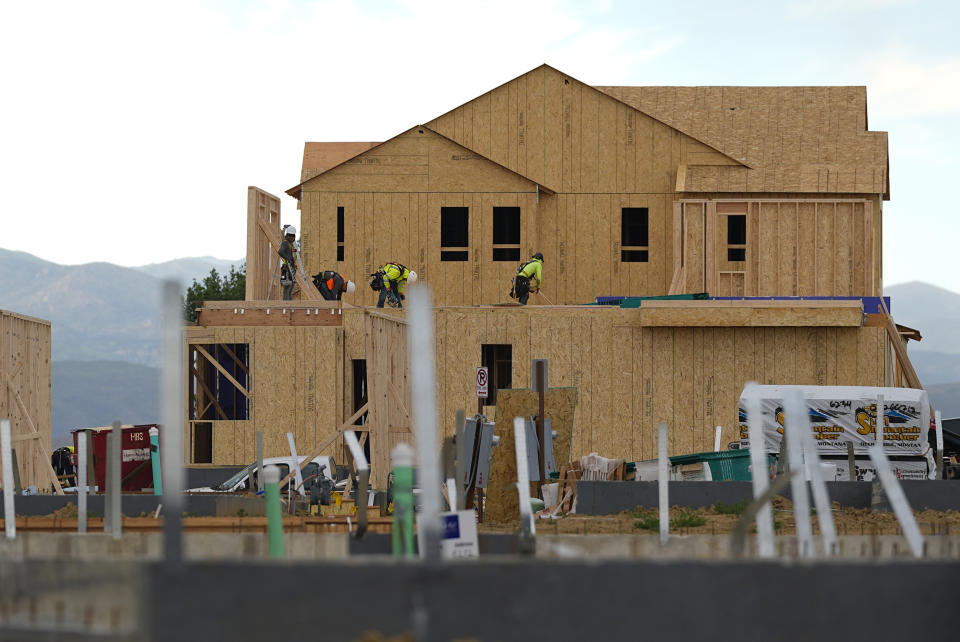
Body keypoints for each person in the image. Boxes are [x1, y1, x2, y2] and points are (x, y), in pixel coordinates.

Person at [278, 225, 299, 300]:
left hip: (292, 268)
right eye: (290, 235)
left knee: (290, 290)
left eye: (293, 236)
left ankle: (290, 307)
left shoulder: (291, 245)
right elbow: (280, 251)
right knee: (287, 288)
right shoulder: (285, 243)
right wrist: (288, 259)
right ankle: (286, 307)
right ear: (287, 235)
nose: (292, 237)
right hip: (287, 269)